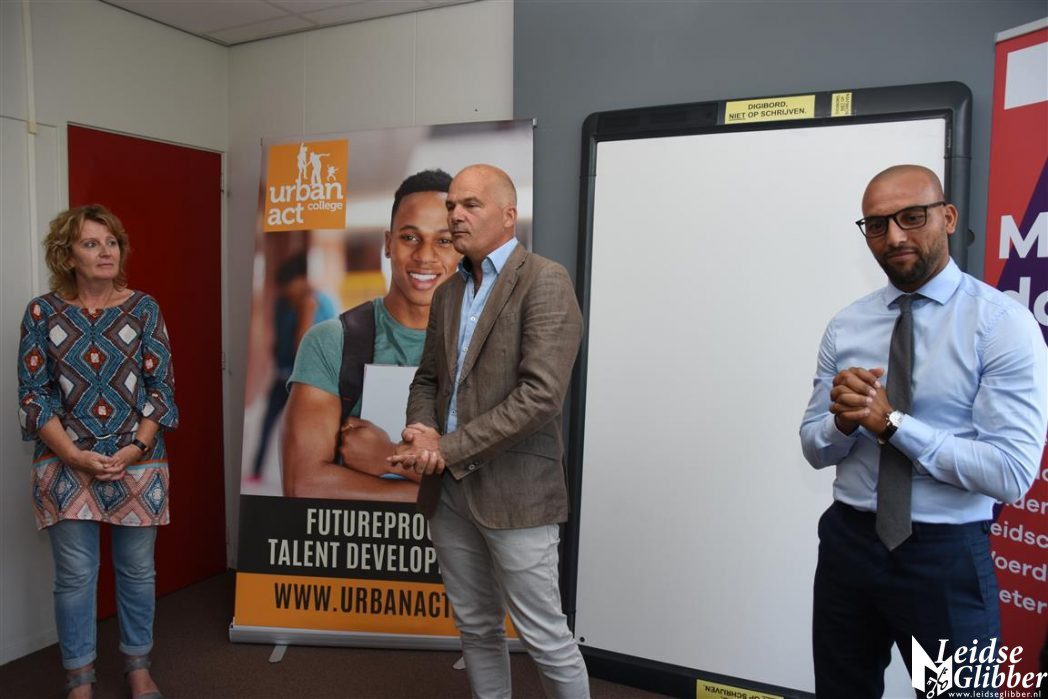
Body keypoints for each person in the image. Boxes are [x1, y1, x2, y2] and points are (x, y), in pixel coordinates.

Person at [799, 165, 1047, 697]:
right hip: (849, 543)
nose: (894, 237)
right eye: (876, 224)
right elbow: (814, 447)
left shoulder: (1002, 325)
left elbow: (1010, 474)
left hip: (944, 556)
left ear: (948, 217)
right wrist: (843, 422)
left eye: (912, 217)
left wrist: (892, 424)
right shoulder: (846, 325)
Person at [389, 164, 590, 698]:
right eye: (452, 205)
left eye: (470, 205)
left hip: (517, 492)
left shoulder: (545, 280)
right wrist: (420, 429)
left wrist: (446, 448)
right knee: (476, 628)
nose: (455, 215)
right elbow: (429, 378)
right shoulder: (450, 292)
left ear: (508, 215)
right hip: (449, 493)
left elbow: (540, 396)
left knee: (545, 637)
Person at [17, 204, 178, 699]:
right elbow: (34, 396)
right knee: (76, 576)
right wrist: (72, 455)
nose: (106, 252)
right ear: (67, 256)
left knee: (137, 571)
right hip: (66, 462)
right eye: (91, 243)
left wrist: (135, 447)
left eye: (111, 242)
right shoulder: (41, 313)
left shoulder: (144, 308)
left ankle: (138, 668)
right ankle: (80, 681)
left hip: (138, 461)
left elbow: (162, 390)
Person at [281, 169, 460, 501]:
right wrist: (444, 495)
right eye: (410, 237)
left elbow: (504, 491)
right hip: (356, 537)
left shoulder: (488, 347)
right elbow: (303, 484)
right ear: (388, 243)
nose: (424, 255)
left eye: (444, 241)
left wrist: (389, 457)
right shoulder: (332, 342)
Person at [249, 252, 336, 481]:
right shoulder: (282, 303)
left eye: (290, 285)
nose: (287, 291)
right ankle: (256, 471)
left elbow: (304, 346)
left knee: (307, 429)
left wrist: (306, 311)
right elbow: (279, 339)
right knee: (268, 422)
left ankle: (314, 474)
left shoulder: (320, 303)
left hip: (309, 380)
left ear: (302, 280)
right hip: (282, 375)